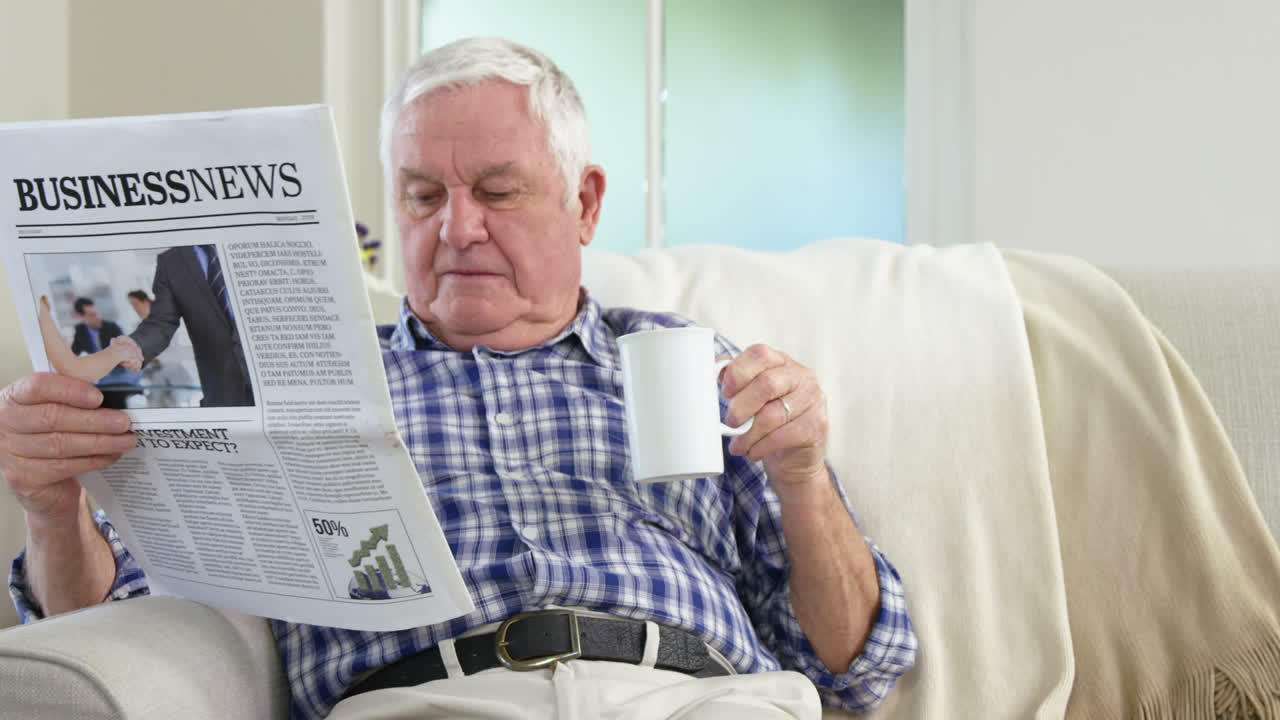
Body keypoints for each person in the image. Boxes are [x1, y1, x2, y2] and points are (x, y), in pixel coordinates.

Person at [1, 38, 915, 719]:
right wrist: (51, 505)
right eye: (424, 196)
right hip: (420, 702)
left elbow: (855, 663)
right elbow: (108, 610)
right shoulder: (296, 380)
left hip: (692, 698)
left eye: (498, 190)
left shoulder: (692, 363)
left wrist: (802, 480)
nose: (458, 229)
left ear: (584, 201)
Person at [114, 245, 254, 407]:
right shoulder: (170, 262)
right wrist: (135, 346)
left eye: (135, 304)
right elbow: (162, 321)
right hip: (223, 386)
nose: (135, 309)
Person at [61, 296, 143, 409]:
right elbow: (73, 355)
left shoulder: (112, 327)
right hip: (101, 377)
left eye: (96, 313)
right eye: (91, 315)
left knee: (109, 396)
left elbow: (127, 352)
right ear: (81, 317)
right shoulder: (80, 330)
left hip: (119, 374)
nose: (97, 317)